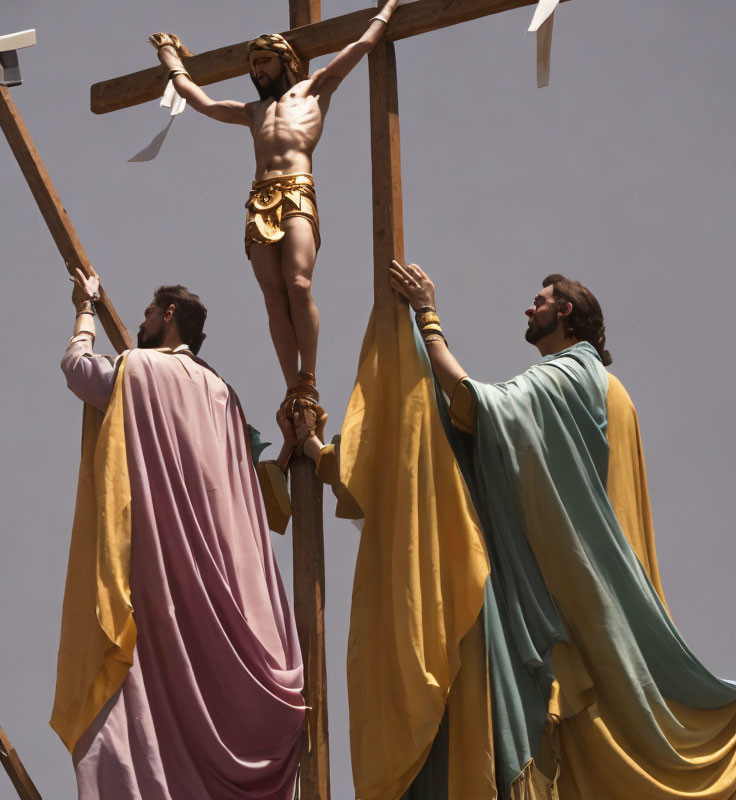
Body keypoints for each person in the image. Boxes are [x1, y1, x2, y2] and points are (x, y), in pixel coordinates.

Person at [389, 260, 736, 799]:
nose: (530, 309)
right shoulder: (608, 387)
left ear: (566, 311)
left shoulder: (571, 373)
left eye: (540, 301)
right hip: (588, 594)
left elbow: (477, 408)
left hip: (568, 594)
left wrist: (426, 317)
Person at [51, 270, 305, 800]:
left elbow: (78, 371)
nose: (140, 322)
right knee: (199, 687)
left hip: (162, 568)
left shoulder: (137, 369)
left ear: (168, 315)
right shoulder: (227, 398)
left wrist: (85, 309)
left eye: (147, 312)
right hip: (226, 580)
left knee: (145, 681)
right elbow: (249, 488)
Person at [147, 1, 399, 435]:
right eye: (252, 65)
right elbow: (200, 100)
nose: (256, 71)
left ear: (286, 60)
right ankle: (291, 385)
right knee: (272, 292)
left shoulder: (317, 89)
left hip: (298, 190)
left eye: (263, 61)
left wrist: (388, 8)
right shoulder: (253, 112)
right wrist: (172, 59)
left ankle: (309, 375)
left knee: (298, 283)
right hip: (259, 199)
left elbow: (361, 45)